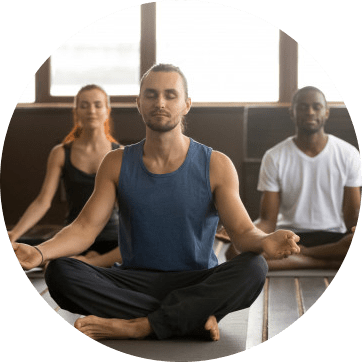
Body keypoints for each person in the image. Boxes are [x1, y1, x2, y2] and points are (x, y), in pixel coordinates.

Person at [12, 64, 300, 341]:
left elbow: (242, 232)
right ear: (139, 102)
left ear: (186, 104)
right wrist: (39, 253)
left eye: (170, 95)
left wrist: (264, 242)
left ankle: (139, 326)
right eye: (151, 94)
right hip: (133, 281)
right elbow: (85, 227)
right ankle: (188, 318)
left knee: (254, 268)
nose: (159, 102)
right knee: (61, 272)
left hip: (197, 279)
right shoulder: (116, 162)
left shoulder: (217, 164)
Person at [222, 86, 361, 270]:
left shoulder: (348, 154)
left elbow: (352, 217)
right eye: (303, 107)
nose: (310, 112)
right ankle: (327, 263)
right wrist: (242, 232)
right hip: (289, 236)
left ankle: (303, 258)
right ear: (292, 113)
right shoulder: (274, 156)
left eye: (316, 106)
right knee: (234, 252)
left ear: (326, 112)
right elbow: (268, 220)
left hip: (334, 238)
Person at [8, 84, 122, 267]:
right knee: (53, 266)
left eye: (97, 105)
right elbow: (42, 202)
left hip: (112, 239)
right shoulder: (61, 153)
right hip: (73, 238)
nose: (91, 111)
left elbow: (127, 207)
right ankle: (87, 261)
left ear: (107, 111)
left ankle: (93, 262)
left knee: (134, 250)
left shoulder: (120, 154)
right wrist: (15, 233)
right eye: (84, 105)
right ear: (76, 112)